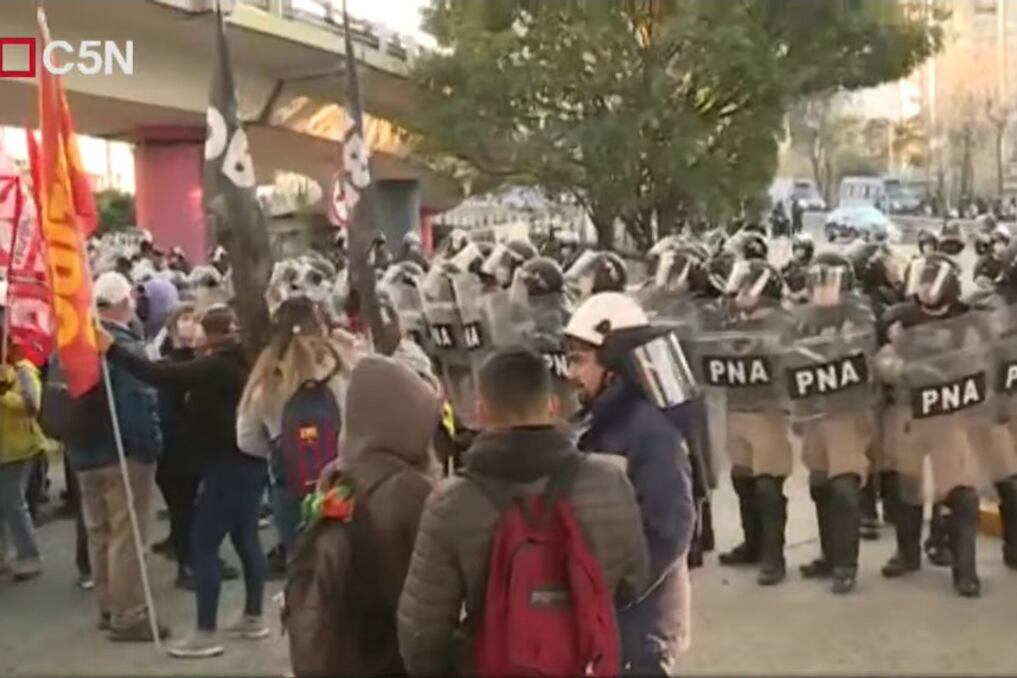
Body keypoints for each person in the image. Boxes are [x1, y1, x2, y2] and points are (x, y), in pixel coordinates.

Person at [398, 347, 650, 676]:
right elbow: (635, 581)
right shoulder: (609, 481)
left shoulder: (451, 503)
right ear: (552, 407)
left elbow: (422, 634)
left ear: (482, 412)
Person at [98, 304, 265, 656]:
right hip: (249, 462)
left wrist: (112, 351)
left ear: (212, 334)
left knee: (202, 545)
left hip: (226, 465)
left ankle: (205, 633)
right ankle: (253, 615)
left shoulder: (215, 366)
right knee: (246, 538)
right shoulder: (242, 360)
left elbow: (164, 378)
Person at [286, 354, 441, 677]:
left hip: (340, 655)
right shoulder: (406, 490)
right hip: (386, 658)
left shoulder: (336, 476)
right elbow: (424, 603)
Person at [565, 293, 696, 673]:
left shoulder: (650, 432)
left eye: (580, 360)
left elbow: (671, 528)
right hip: (613, 621)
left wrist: (615, 591)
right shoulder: (597, 421)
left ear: (615, 367)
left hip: (641, 629)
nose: (571, 373)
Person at [876, 254, 986, 597]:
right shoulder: (898, 319)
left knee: (960, 491)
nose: (923, 289)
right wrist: (901, 370)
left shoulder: (968, 320)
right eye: (920, 281)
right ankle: (907, 553)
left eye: (930, 282)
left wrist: (951, 368)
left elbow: (984, 360)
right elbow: (881, 358)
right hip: (910, 414)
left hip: (951, 417)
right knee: (907, 486)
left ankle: (965, 569)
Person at [69, 271, 166, 642]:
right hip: (122, 453)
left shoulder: (73, 343)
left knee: (99, 533)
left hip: (83, 453)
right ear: (124, 302)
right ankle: (129, 614)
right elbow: (140, 403)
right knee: (127, 536)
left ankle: (109, 606)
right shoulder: (121, 348)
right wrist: (150, 448)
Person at [237, 297, 354, 570]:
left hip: (289, 486)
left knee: (303, 569)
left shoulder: (264, 380)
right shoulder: (339, 368)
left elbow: (246, 440)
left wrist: (280, 447)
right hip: (341, 481)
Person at [787, 253, 875, 594]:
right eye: (819, 281)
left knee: (844, 487)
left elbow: (861, 348)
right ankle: (829, 554)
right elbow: (790, 361)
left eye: (831, 281)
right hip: (814, 415)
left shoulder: (859, 313)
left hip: (847, 413)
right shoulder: (802, 318)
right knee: (820, 485)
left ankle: (846, 565)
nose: (824, 289)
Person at [0, 342, 47, 582]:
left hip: (18, 449)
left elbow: (32, 406)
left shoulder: (22, 370)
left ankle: (29, 556)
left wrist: (4, 394)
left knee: (13, 504)